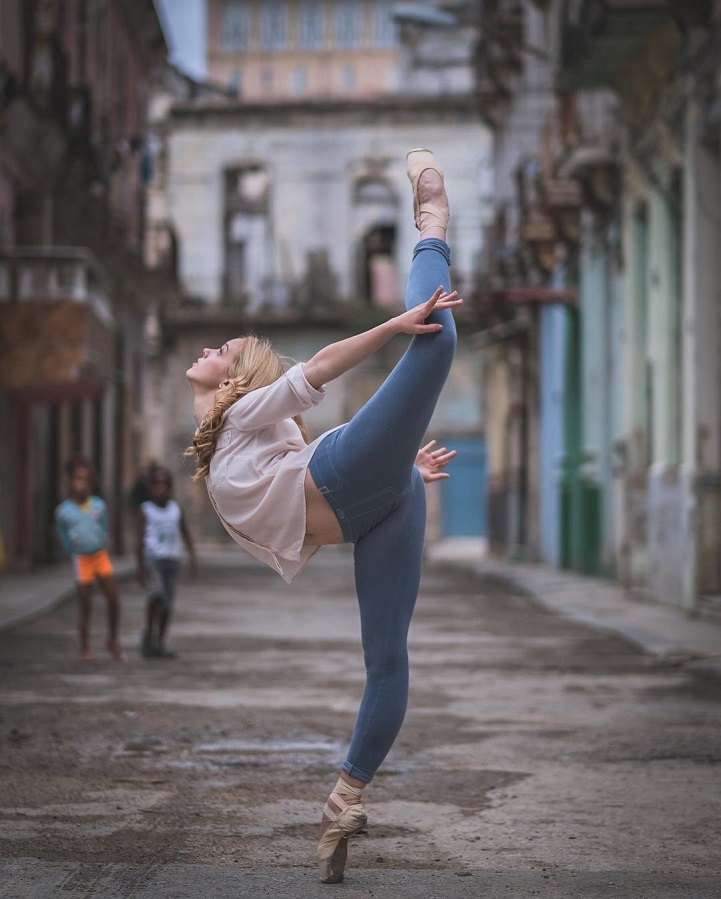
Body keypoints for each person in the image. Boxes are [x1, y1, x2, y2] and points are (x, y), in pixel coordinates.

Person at [185, 149, 459, 884]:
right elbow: (307, 402)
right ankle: (343, 801)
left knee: (436, 340)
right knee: (387, 662)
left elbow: (323, 365)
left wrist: (398, 323)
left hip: (347, 481)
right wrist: (399, 471)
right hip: (369, 503)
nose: (210, 346)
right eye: (219, 346)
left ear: (237, 380)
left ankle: (429, 215)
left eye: (224, 348)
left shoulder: (242, 409)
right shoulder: (234, 429)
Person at [55, 454, 127, 663]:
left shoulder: (98, 505)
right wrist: (72, 550)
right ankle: (85, 646)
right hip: (81, 559)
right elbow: (62, 534)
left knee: (113, 598)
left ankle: (112, 639)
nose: (83, 484)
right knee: (85, 604)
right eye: (78, 479)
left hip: (99, 555)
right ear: (70, 482)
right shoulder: (64, 511)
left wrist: (102, 540)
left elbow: (103, 527)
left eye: (86, 480)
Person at [135, 465, 197, 658]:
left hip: (172, 560)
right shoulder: (146, 510)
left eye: (164, 485)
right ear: (151, 487)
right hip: (154, 560)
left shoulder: (175, 510)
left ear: (170, 487)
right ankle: (149, 633)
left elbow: (185, 532)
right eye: (157, 485)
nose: (160, 489)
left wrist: (192, 556)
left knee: (167, 605)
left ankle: (160, 642)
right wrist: (139, 567)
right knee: (156, 595)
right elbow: (139, 539)